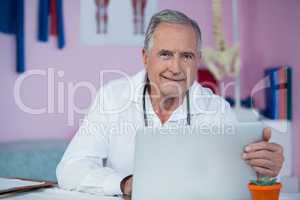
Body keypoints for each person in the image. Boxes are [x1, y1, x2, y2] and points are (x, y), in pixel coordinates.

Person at [56, 9, 284, 196]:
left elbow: (237, 183)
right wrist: (125, 184)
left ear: (197, 61)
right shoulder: (111, 97)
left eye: (186, 56)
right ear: (145, 58)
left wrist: (265, 172)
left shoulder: (216, 109)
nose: (176, 68)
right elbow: (70, 169)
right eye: (165, 54)